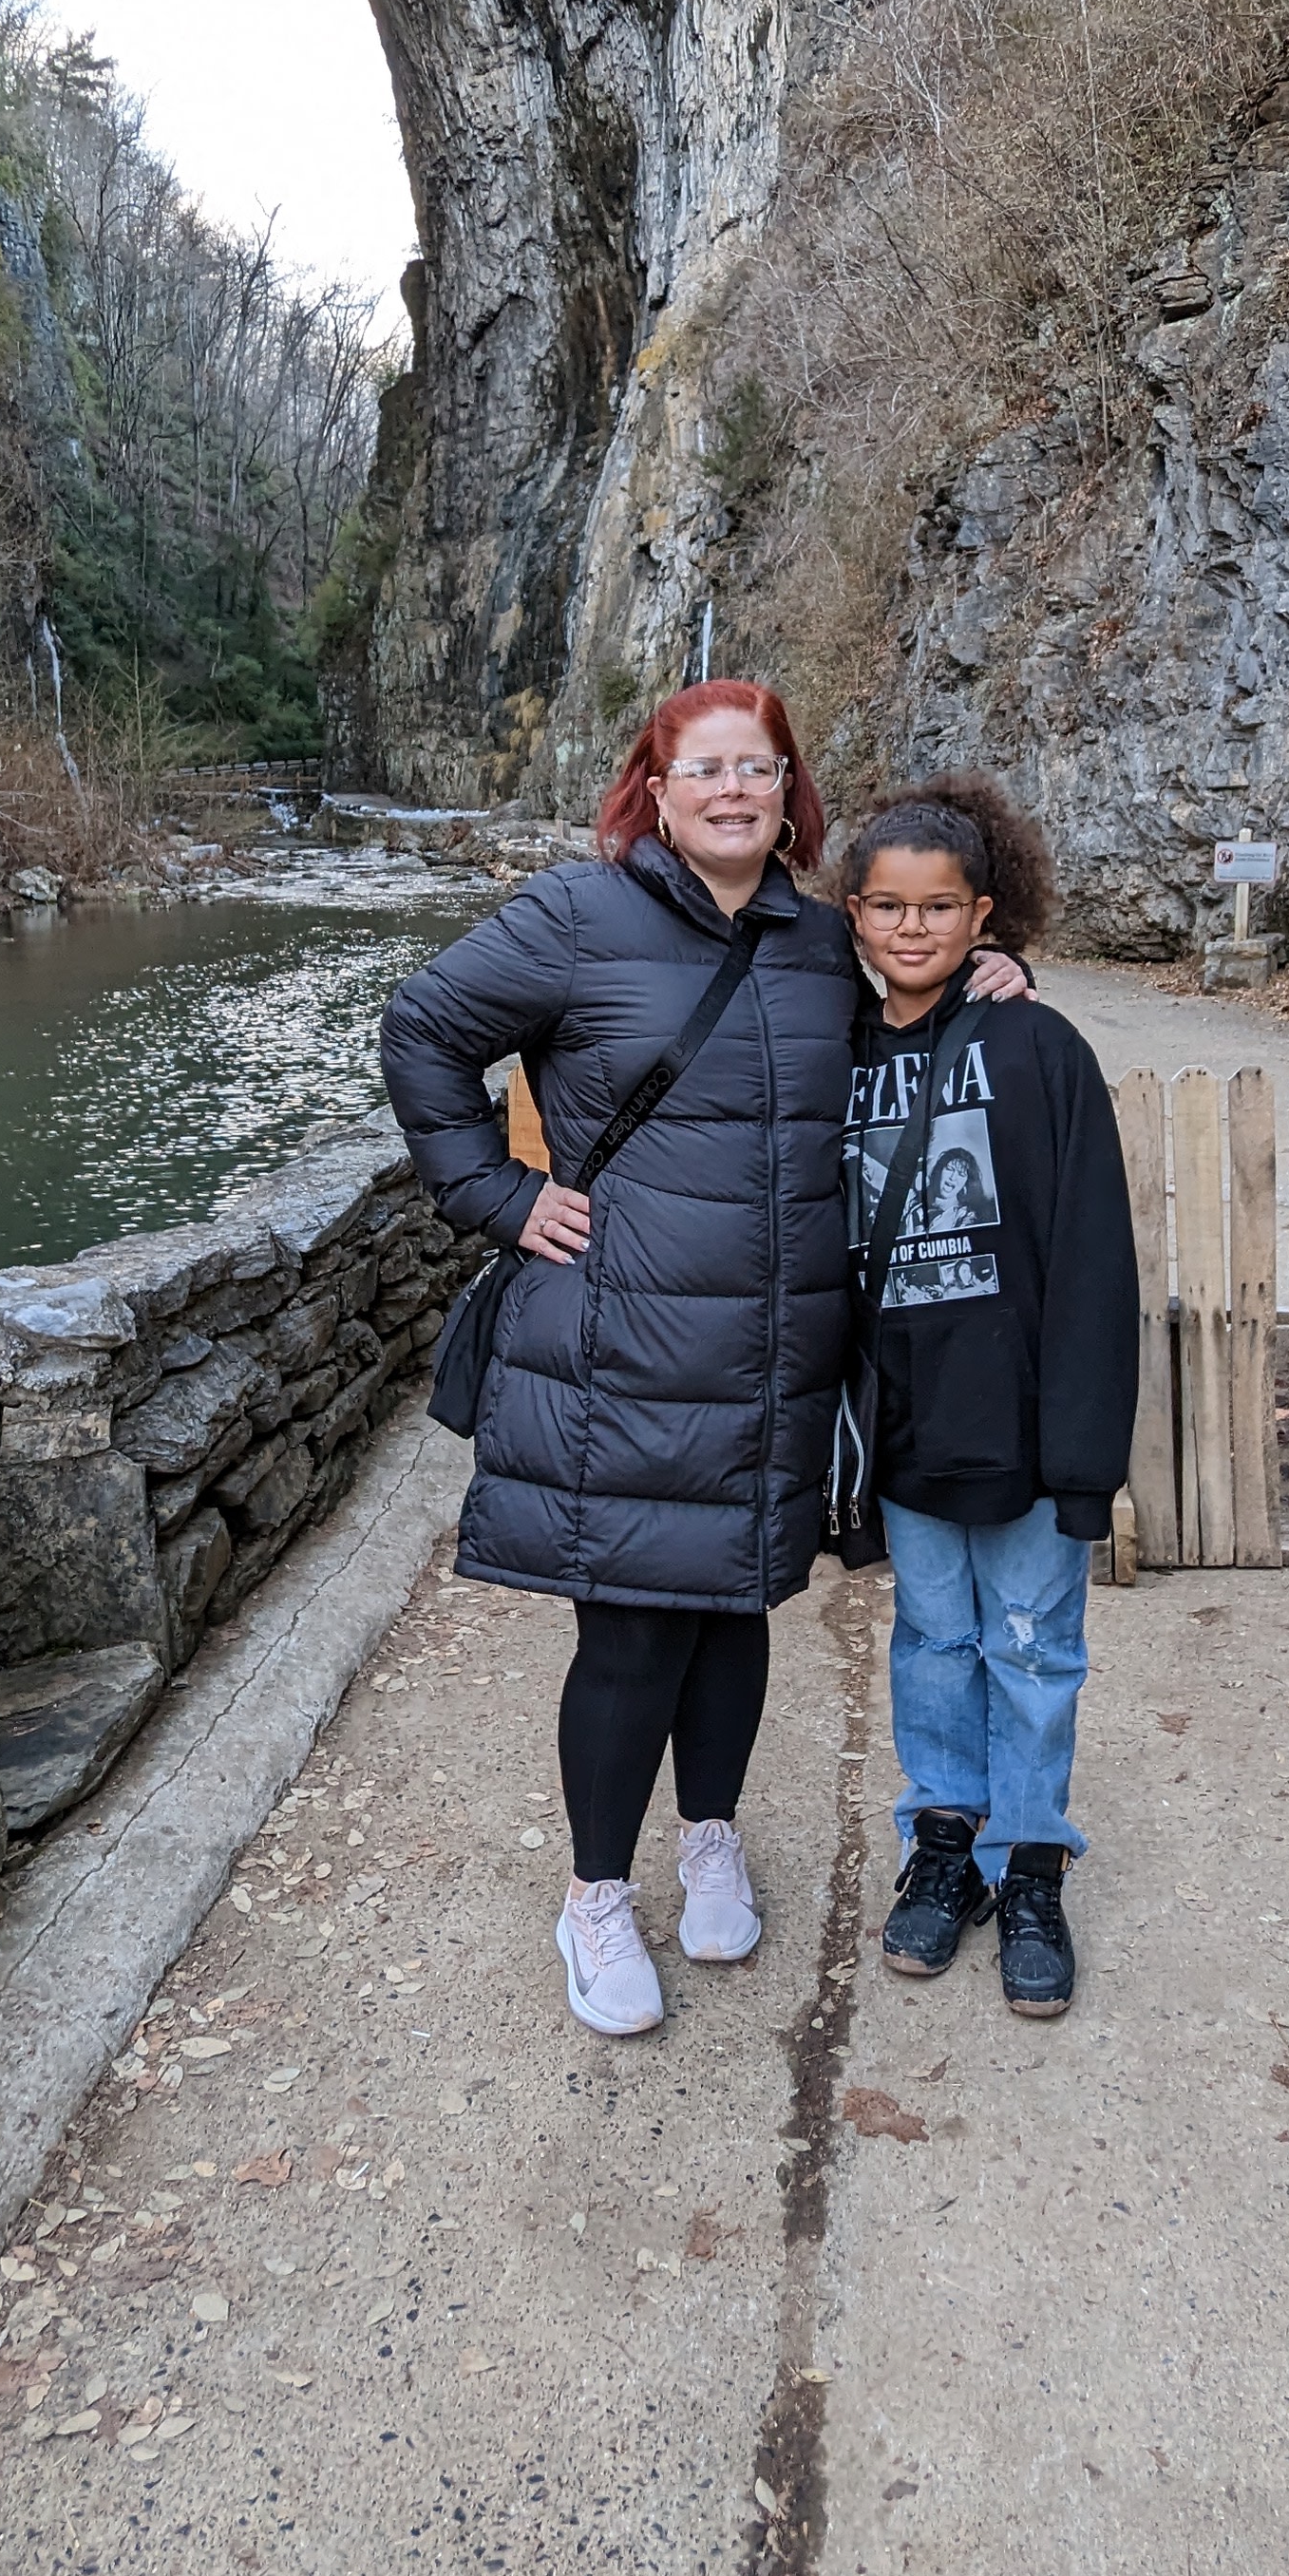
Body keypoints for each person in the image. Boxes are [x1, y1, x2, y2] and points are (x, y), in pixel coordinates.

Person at [379, 682, 862, 2039]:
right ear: (654, 790)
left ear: (786, 791)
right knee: (636, 1626)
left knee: (736, 1608)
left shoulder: (822, 946)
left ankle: (708, 1837)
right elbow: (422, 1030)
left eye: (756, 769)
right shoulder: (575, 920)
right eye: (701, 769)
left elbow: (912, 1032)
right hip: (625, 1346)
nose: (731, 791)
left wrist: (1000, 974)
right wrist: (496, 1193)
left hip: (771, 1350)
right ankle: (597, 1896)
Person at [839, 775, 1136, 2018]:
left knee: (1032, 1648)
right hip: (905, 1429)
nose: (913, 929)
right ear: (851, 916)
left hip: (1018, 1425)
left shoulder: (1037, 1048)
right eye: (888, 907)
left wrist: (1083, 1456)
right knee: (932, 1646)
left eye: (940, 908)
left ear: (986, 916)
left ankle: (1027, 1867)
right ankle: (945, 1845)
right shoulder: (835, 1051)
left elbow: (1091, 1260)